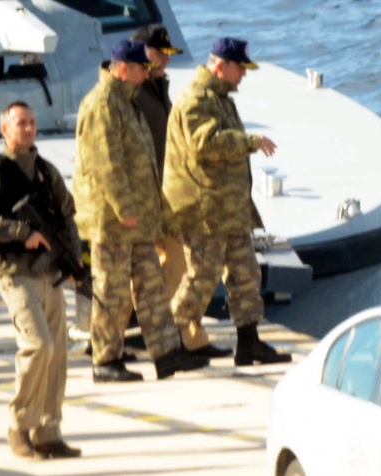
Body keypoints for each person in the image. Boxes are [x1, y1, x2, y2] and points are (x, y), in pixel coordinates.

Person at [72, 39, 208, 382]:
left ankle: (167, 353)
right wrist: (125, 209)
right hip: (113, 221)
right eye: (141, 70)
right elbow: (106, 165)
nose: (147, 75)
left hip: (139, 219)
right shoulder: (102, 104)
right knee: (113, 293)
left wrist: (154, 211)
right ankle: (105, 360)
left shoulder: (126, 101)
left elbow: (143, 163)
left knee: (151, 288)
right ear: (123, 69)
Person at [162, 37, 292, 366]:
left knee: (246, 274)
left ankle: (249, 343)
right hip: (205, 210)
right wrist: (249, 142)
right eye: (240, 68)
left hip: (228, 209)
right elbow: (204, 144)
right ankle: (169, 344)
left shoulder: (220, 98)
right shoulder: (196, 98)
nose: (243, 75)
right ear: (221, 65)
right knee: (202, 277)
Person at [0, 101, 81, 459]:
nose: (29, 128)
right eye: (21, 123)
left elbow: (68, 216)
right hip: (15, 272)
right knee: (38, 345)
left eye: (32, 122)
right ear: (5, 129)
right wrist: (20, 232)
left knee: (57, 352)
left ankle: (48, 431)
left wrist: (75, 262)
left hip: (50, 272)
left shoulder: (46, 170)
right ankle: (19, 425)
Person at [131, 25, 232, 358]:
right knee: (160, 271)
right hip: (145, 202)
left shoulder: (157, 89)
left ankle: (187, 339)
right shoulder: (132, 96)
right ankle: (143, 340)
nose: (164, 61)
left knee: (179, 268)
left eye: (167, 55)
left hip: (167, 197)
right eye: (158, 54)